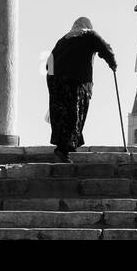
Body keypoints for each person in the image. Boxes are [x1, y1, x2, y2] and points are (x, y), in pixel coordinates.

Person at [46, 17, 117, 163]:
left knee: (61, 114)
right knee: (75, 113)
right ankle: (64, 149)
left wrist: (55, 83)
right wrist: (112, 63)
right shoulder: (90, 35)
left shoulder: (62, 40)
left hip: (56, 82)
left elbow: (49, 64)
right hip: (77, 81)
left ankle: (65, 147)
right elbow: (105, 48)